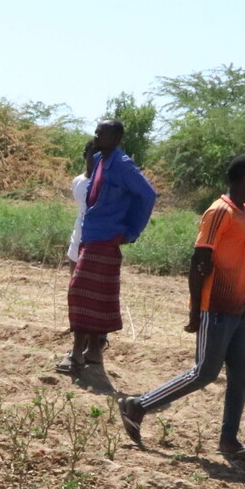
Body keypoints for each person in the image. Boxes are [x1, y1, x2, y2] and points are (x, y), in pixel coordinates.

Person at [118, 156, 245, 463]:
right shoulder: (219, 211)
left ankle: (230, 441)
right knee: (205, 372)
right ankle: (138, 405)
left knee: (240, 374)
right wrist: (195, 310)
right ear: (243, 179)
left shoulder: (244, 211)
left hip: (238, 309)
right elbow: (199, 261)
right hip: (215, 307)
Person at [56, 120, 157, 373]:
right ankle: (94, 353)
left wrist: (131, 231)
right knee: (97, 295)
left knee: (80, 292)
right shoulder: (101, 159)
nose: (97, 136)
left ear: (117, 137)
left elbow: (147, 194)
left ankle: (78, 354)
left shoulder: (122, 165)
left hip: (105, 237)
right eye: (97, 132)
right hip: (92, 236)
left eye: (102, 133)